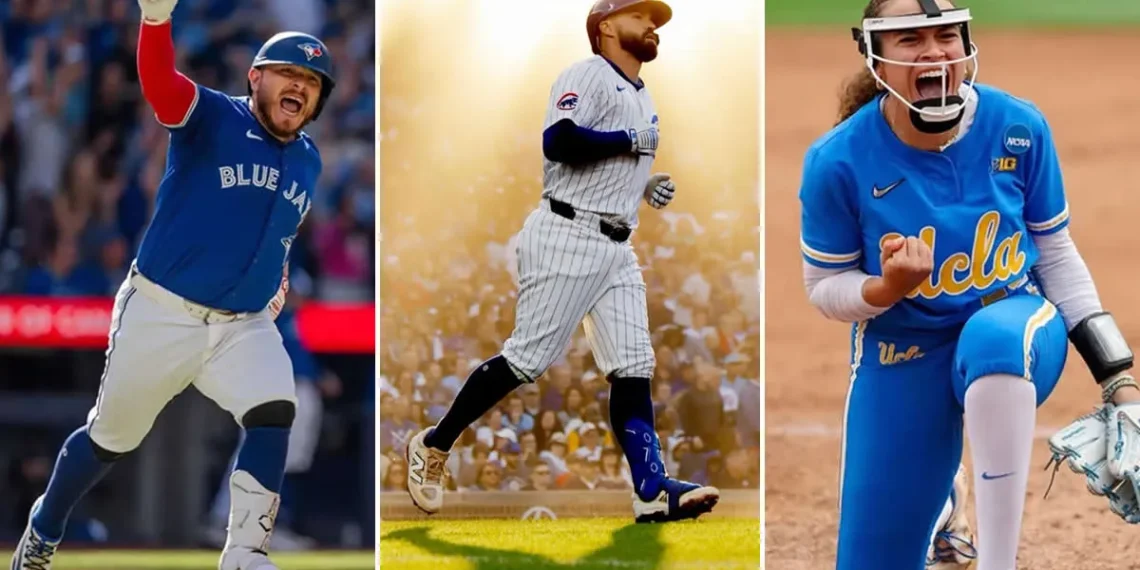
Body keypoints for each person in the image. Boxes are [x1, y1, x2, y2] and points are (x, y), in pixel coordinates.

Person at [797, 0, 1140, 568]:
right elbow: (824, 287)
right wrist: (886, 289)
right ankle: (941, 497)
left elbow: (1055, 253)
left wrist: (1119, 380)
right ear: (875, 54)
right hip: (903, 344)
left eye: (948, 34)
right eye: (910, 39)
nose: (935, 50)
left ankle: (999, 561)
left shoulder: (1017, 127)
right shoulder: (838, 161)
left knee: (992, 339)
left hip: (1017, 326)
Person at [10, 0, 336, 568]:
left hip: (243, 323)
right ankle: (45, 525)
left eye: (311, 82)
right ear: (255, 77)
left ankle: (244, 552)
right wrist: (156, 19)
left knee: (276, 407)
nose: (299, 87)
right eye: (288, 73)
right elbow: (160, 84)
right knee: (111, 438)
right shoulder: (214, 115)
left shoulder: (309, 159)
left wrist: (276, 271)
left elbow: (280, 231)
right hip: (162, 311)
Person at [404, 0, 720, 524]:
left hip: (617, 243)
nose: (651, 25)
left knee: (634, 366)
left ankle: (649, 488)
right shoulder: (586, 74)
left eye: (655, 19)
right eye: (640, 15)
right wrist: (629, 142)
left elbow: (605, 165)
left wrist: (642, 184)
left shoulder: (642, 95)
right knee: (527, 361)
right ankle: (435, 445)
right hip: (567, 233)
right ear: (606, 25)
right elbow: (560, 142)